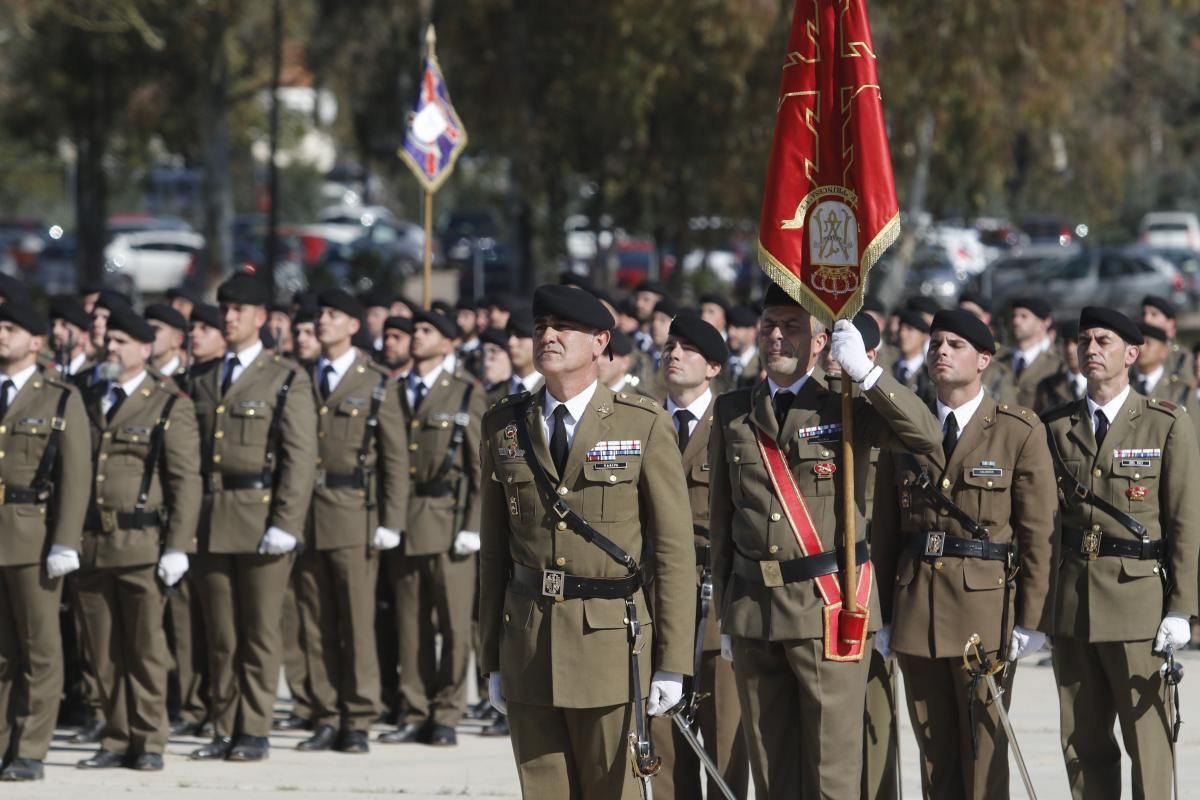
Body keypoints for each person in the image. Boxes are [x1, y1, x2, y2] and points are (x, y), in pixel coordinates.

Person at [708, 284, 942, 798]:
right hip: (753, 609)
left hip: (827, 608)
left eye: (791, 326)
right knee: (773, 777)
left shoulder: (847, 405)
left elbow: (927, 437)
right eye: (768, 324)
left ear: (819, 342)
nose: (775, 335)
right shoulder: (731, 412)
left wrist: (868, 374)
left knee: (831, 774)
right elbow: (723, 520)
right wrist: (725, 614)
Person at [480, 284, 695, 798]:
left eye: (563, 328)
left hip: (609, 645)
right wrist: (490, 657)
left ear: (600, 342)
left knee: (611, 789)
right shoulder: (503, 423)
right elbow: (494, 552)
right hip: (529, 640)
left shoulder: (640, 423)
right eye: (540, 328)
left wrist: (673, 661)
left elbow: (672, 551)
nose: (547, 337)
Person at [871, 309, 1057, 798]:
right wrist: (883, 616)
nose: (941, 351)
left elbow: (1037, 532)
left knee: (983, 753)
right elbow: (886, 531)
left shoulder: (1017, 430)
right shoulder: (904, 430)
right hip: (916, 611)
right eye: (935, 343)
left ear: (984, 360)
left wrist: (1031, 619)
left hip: (985, 612)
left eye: (955, 344)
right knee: (934, 759)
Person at [1043, 306, 1200, 800]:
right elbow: (1043, 526)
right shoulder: (1055, 427)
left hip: (1138, 606)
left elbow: (1185, 522)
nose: (1091, 348)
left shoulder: (1165, 424)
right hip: (1072, 605)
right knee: (1082, 744)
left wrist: (1182, 608)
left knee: (1148, 746)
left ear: (1131, 353)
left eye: (1103, 340)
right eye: (1084, 339)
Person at [188, 274, 318, 762]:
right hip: (211, 519)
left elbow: (299, 456)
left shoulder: (284, 377)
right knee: (220, 634)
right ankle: (224, 726)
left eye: (238, 309)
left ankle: (254, 729)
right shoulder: (202, 377)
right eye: (224, 309)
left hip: (261, 518)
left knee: (260, 632)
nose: (228, 316)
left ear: (261, 318)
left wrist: (286, 523)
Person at [74, 305, 202, 772]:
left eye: (122, 343)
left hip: (141, 544)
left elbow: (187, 480)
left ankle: (149, 739)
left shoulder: (168, 402)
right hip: (92, 542)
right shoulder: (89, 396)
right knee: (102, 650)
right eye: (109, 341)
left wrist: (177, 547)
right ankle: (116, 735)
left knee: (146, 649)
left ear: (145, 350)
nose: (111, 348)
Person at [293, 289, 408, 754]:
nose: (323, 322)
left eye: (333, 315)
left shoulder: (376, 383)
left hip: (355, 510)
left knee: (357, 622)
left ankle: (358, 715)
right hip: (307, 513)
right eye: (321, 314)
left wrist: (391, 519)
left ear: (354, 326)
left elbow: (395, 459)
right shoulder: (300, 377)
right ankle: (325, 712)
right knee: (314, 619)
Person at [650, 312, 749, 800]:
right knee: (664, 749)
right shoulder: (642, 420)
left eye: (688, 349)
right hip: (656, 601)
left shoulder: (736, 424)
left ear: (713, 367)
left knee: (725, 743)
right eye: (670, 346)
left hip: (718, 604)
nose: (674, 355)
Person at [379, 308, 485, 747]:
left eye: (427, 331)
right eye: (414, 330)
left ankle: (447, 711)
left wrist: (473, 524)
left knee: (455, 625)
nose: (416, 337)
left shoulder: (464, 393)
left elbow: (481, 467)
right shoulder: (395, 390)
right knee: (411, 624)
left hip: (448, 519)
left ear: (447, 343)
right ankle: (415, 707)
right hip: (406, 519)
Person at [0, 303, 90, 781]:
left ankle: (31, 748)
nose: (0, 334)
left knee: (39, 648)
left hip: (31, 533)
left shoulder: (58, 396)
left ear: (35, 342)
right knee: (1, 651)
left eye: (10, 328)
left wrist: (65, 540)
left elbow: (75, 475)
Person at [997, 297, 1061, 412]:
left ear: (1044, 322)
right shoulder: (999, 360)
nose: (1016, 321)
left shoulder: (1058, 363)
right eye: (1014, 316)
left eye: (1024, 316)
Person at [1130, 322, 1198, 414]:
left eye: (1148, 343)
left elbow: (1193, 427)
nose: (1141, 348)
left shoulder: (1181, 390)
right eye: (1138, 343)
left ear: (1164, 351)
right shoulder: (1124, 383)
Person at [1140, 294, 1193, 384]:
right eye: (1144, 314)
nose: (1146, 319)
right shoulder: (1133, 351)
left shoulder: (1182, 357)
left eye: (1154, 314)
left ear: (1170, 323)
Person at [1035, 320, 1086, 411]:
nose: (1070, 349)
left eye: (1077, 342)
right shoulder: (1048, 385)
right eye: (1066, 343)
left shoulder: (1100, 385)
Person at [891, 309, 934, 405]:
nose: (902, 334)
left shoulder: (930, 375)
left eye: (910, 329)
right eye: (900, 329)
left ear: (925, 336)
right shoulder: (888, 366)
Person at [145, 303, 190, 384]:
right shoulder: (138, 374)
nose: (148, 334)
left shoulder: (188, 378)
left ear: (177, 339)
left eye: (155, 329)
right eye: (145, 329)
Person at [50, 296, 94, 375]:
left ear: (84, 336)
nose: (55, 331)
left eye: (64, 325)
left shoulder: (92, 375)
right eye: (53, 325)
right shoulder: (44, 368)